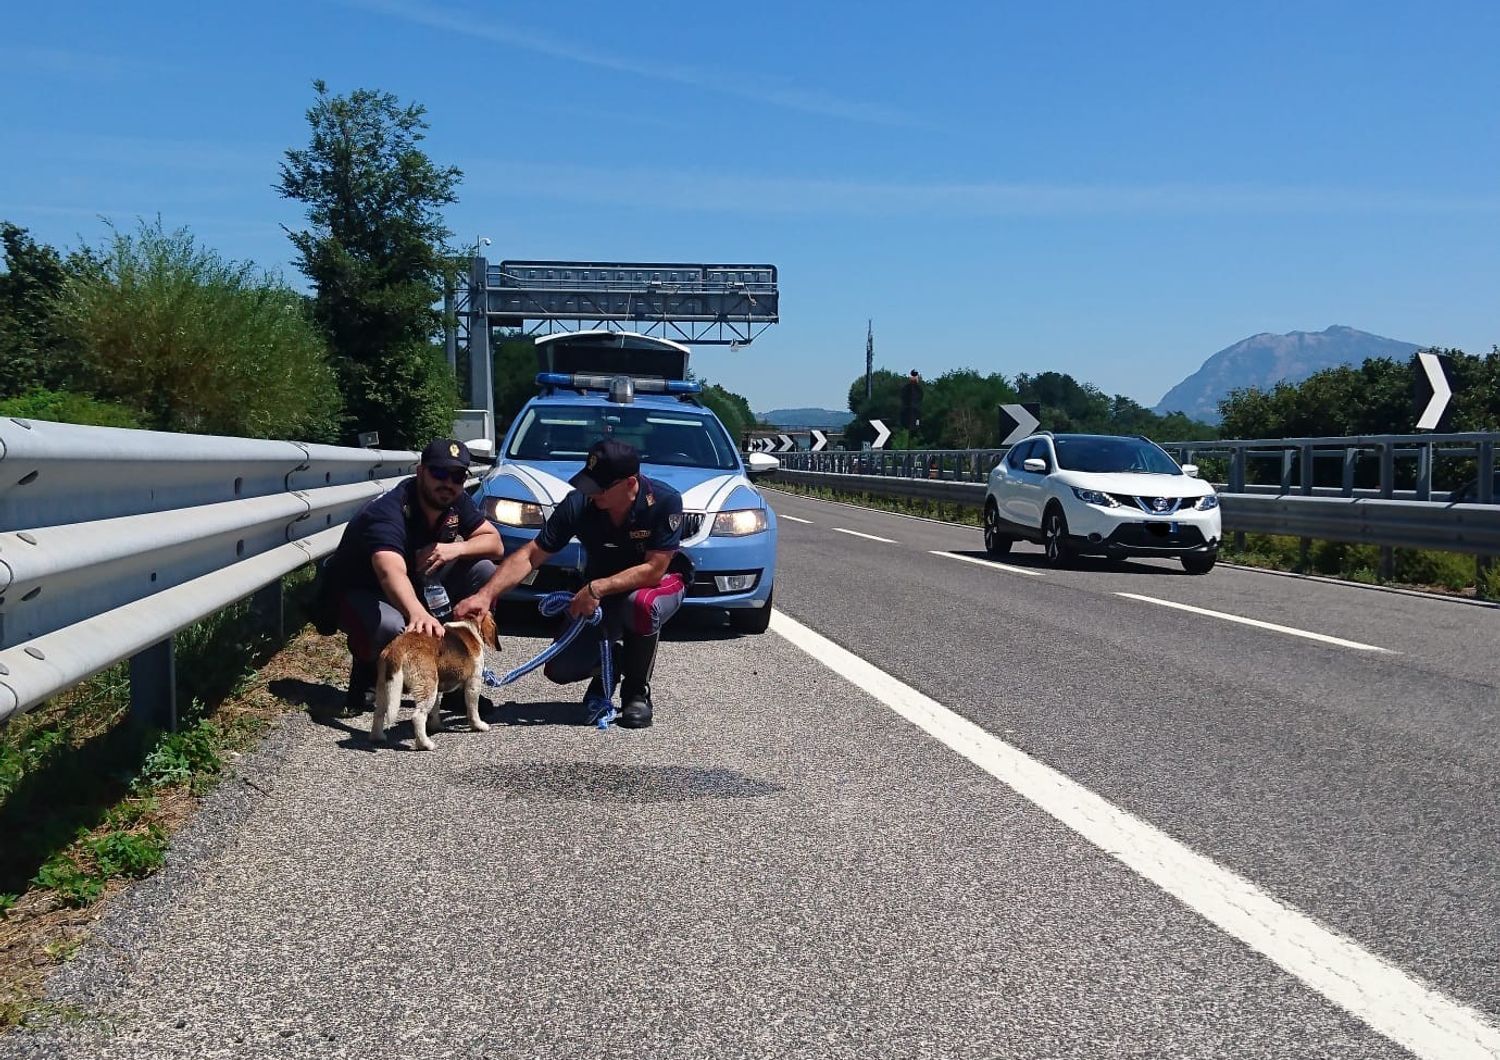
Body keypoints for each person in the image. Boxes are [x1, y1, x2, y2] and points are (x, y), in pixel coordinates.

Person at [455, 439, 687, 729]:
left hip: (657, 585)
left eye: (599, 487)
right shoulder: (580, 502)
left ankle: (636, 691)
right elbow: (531, 554)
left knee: (639, 604)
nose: (591, 493)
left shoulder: (664, 501)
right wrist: (485, 595)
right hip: (600, 591)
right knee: (560, 669)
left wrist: (596, 588)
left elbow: (654, 569)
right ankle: (610, 663)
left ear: (629, 484)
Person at [326, 438, 504, 709]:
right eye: (439, 473)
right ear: (421, 472)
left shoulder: (457, 501)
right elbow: (390, 571)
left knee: (485, 573)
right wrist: (418, 613)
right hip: (364, 592)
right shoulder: (389, 510)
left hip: (415, 583)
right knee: (392, 626)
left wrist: (454, 549)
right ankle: (369, 672)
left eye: (457, 476)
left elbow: (495, 543)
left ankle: (454, 674)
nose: (448, 483)